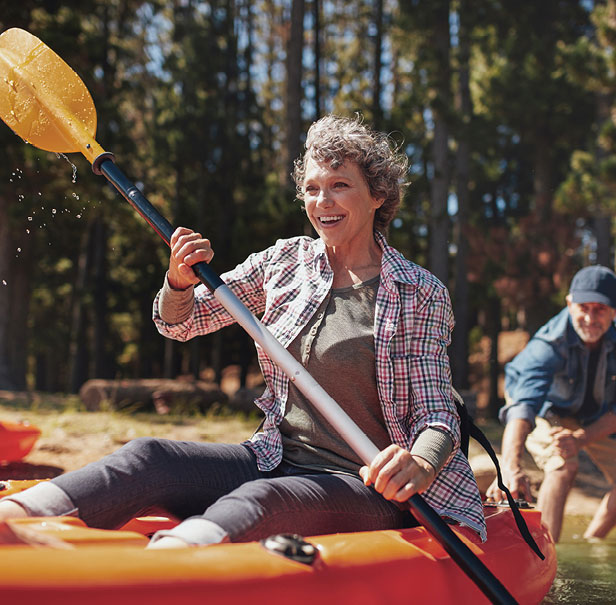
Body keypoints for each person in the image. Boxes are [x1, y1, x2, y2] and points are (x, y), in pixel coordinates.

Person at [0, 114, 485, 547]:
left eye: (340, 185)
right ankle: (13, 520)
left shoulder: (417, 290)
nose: (323, 202)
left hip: (365, 484)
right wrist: (178, 282)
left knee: (264, 498)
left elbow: (436, 412)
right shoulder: (284, 262)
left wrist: (419, 464)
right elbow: (182, 323)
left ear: (378, 195)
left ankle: (169, 566)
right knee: (149, 456)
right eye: (312, 188)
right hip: (274, 456)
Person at [486, 265, 616, 542]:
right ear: (569, 303)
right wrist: (511, 468)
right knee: (563, 465)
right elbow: (523, 406)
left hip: (593, 415)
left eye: (599, 309)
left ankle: (591, 542)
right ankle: (548, 548)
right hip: (545, 410)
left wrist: (581, 438)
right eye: (582, 307)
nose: (589, 317)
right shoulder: (550, 341)